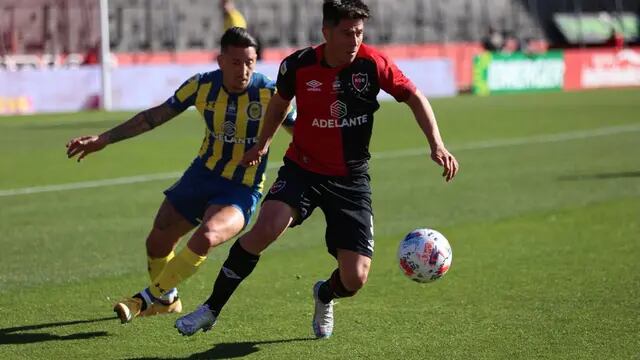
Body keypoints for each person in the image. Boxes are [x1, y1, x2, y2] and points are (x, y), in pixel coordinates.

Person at [175, 0, 459, 339]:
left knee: (354, 279)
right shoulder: (298, 65)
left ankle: (325, 294)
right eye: (346, 33)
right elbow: (280, 103)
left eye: (359, 32)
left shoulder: (373, 64)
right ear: (326, 32)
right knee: (267, 228)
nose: (354, 40)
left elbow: (414, 96)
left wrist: (437, 143)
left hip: (351, 179)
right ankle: (211, 309)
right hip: (303, 170)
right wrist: (264, 142)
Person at [65, 27, 295, 324]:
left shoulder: (269, 93)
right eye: (236, 62)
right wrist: (104, 139)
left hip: (242, 186)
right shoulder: (201, 86)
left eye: (250, 62)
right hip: (202, 175)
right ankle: (168, 300)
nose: (244, 69)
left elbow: (299, 132)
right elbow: (153, 117)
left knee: (209, 234)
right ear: (220, 61)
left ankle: (146, 298)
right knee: (158, 241)